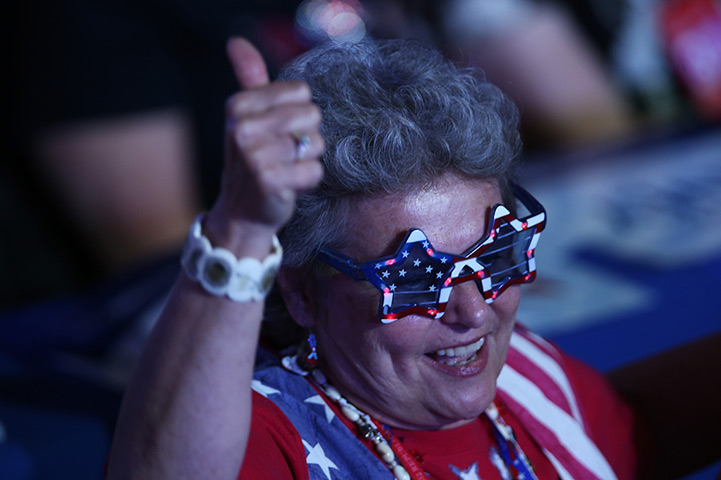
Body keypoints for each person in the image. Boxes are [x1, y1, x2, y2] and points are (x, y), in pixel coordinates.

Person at [106, 38, 637, 479]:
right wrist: (241, 229)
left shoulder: (530, 376)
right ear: (302, 292)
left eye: (496, 254)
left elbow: (641, 440)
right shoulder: (275, 435)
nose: (474, 313)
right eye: (416, 278)